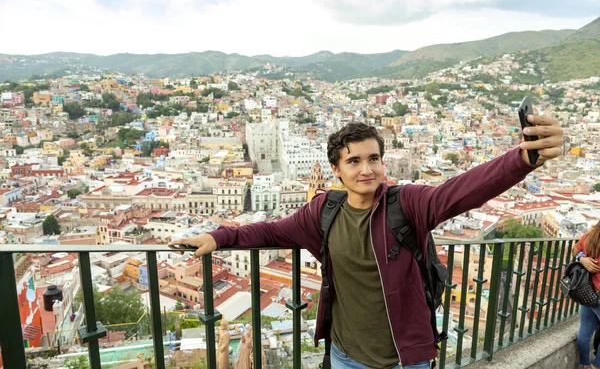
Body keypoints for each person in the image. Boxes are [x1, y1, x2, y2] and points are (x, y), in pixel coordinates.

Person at [171, 115, 564, 369]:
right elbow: (271, 230)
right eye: (354, 161)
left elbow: (458, 192)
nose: (366, 169)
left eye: (373, 158)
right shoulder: (323, 210)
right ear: (336, 169)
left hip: (405, 358)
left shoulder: (405, 204)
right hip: (345, 355)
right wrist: (218, 237)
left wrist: (522, 159)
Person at [572, 220, 600, 369]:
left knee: (585, 331)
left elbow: (573, 251)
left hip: (588, 292)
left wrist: (581, 258)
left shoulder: (589, 236)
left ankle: (585, 365)